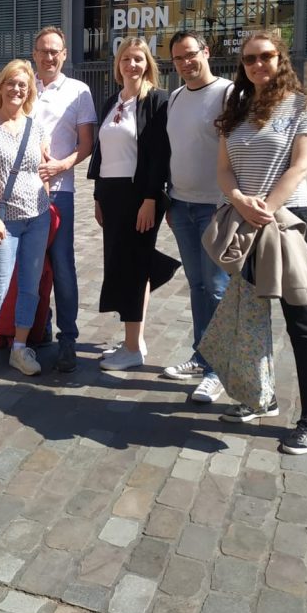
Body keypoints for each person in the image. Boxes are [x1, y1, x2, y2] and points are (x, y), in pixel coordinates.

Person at [215, 30, 307, 454]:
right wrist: (240, 200)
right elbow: (224, 169)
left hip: (287, 224)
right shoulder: (237, 108)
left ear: (281, 59)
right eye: (248, 59)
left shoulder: (304, 105)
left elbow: (300, 167)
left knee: (301, 323)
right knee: (248, 316)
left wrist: (264, 210)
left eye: (265, 56)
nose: (257, 65)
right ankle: (258, 395)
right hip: (246, 221)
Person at [87, 36, 179, 371]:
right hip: (111, 196)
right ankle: (133, 339)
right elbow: (101, 152)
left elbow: (159, 154)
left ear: (148, 64)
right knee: (121, 263)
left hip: (139, 195)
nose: (132, 65)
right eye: (126, 58)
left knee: (133, 266)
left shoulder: (157, 101)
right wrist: (97, 195)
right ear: (118, 65)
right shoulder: (112, 100)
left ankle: (132, 348)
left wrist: (151, 198)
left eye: (138, 58)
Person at [162, 31, 232, 405]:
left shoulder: (228, 93)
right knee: (198, 286)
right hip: (182, 205)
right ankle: (202, 354)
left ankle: (217, 370)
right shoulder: (174, 97)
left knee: (217, 287)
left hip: (216, 207)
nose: (186, 63)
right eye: (178, 58)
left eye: (191, 54)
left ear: (206, 52)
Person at [0, 60, 51, 380]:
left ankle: (19, 347)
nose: (16, 89)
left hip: (37, 218)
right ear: (1, 86)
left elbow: (43, 170)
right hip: (4, 219)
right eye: (11, 83)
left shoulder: (37, 127)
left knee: (30, 287)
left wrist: (46, 203)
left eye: (23, 85)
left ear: (29, 90)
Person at [32, 26, 97, 372]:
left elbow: (86, 144)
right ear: (34, 53)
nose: (49, 56)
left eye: (55, 51)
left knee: (62, 268)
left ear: (64, 54)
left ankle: (67, 338)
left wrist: (62, 165)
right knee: (29, 267)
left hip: (60, 194)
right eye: (43, 50)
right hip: (23, 196)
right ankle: (37, 326)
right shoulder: (23, 87)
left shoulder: (78, 91)